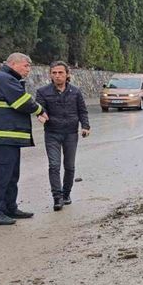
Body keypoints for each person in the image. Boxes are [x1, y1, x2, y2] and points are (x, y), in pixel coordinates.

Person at [0, 53, 48, 225]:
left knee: (11, 176)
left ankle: (9, 207)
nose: (28, 70)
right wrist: (40, 109)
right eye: (26, 66)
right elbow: (21, 102)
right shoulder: (3, 78)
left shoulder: (8, 79)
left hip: (7, 137)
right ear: (14, 64)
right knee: (0, 176)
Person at [36, 61, 91, 211]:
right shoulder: (42, 92)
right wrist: (41, 116)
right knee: (54, 165)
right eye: (54, 73)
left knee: (69, 166)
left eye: (60, 73)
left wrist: (85, 126)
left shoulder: (76, 92)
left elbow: (82, 111)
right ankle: (57, 197)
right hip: (52, 133)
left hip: (71, 133)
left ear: (67, 74)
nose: (57, 76)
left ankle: (66, 194)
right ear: (50, 75)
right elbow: (40, 110)